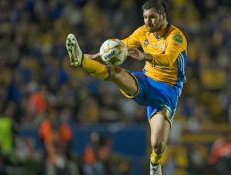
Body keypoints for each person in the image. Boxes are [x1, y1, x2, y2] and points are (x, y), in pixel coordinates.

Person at [65, 1, 187, 174]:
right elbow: (117, 48)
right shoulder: (142, 32)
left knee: (158, 145)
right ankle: (81, 61)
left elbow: (168, 59)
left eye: (152, 17)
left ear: (163, 16)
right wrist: (88, 56)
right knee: (116, 73)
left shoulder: (176, 37)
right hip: (145, 81)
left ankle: (154, 163)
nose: (148, 22)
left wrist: (143, 55)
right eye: (145, 17)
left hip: (167, 91)